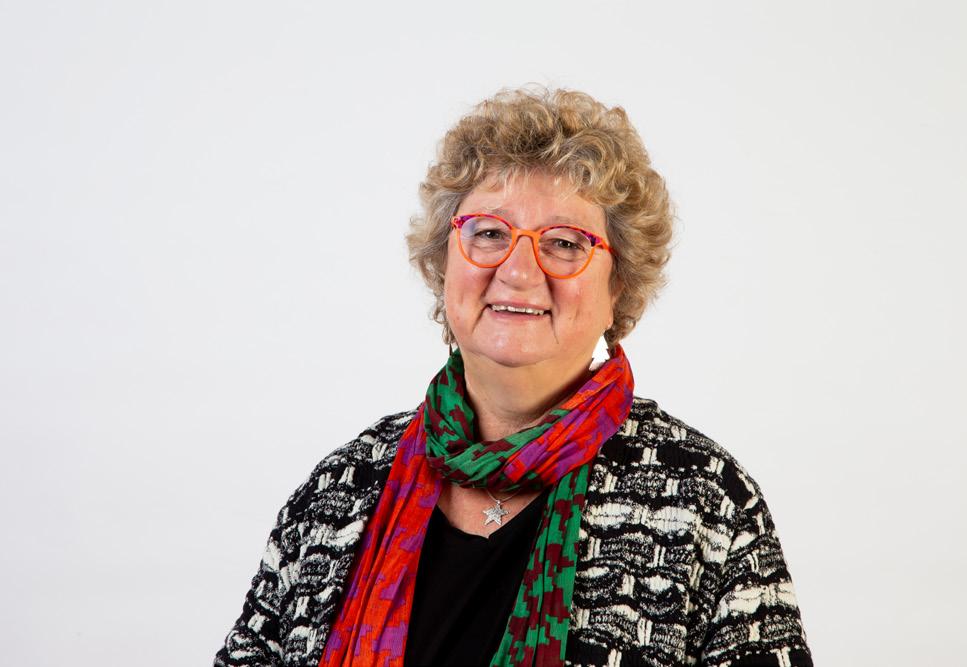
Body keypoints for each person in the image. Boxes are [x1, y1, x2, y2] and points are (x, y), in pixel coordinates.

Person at [214, 86, 812, 667]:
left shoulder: (706, 502)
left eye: (565, 243)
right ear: (444, 264)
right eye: (490, 233)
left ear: (619, 287)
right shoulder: (341, 489)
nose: (519, 271)